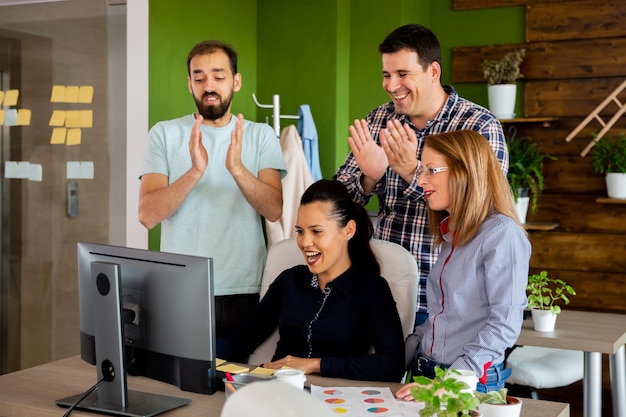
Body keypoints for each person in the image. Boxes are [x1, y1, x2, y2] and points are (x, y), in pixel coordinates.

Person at [334, 23, 507, 327]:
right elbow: (336, 203)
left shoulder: (479, 126)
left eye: (403, 74)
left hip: (449, 301)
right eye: (386, 75)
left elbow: (481, 207)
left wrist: (411, 172)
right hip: (381, 290)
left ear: (433, 72)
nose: (391, 85)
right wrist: (369, 178)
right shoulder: (379, 120)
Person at [138, 40, 286, 338]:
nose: (209, 85)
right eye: (199, 77)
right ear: (189, 83)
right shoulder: (164, 134)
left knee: (241, 380)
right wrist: (195, 171)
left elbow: (274, 209)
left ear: (236, 81)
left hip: (244, 289)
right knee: (176, 382)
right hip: (180, 286)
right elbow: (147, 215)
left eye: (219, 76)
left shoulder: (261, 136)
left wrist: (237, 169)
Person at [217, 179, 406, 382]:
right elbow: (241, 340)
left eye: (316, 231)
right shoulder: (290, 280)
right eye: (300, 231)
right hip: (276, 391)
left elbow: (391, 365)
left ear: (348, 230)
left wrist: (316, 364)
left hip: (335, 399)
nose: (305, 242)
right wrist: (197, 354)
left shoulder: (371, 289)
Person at [394, 130, 530, 397]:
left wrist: (450, 383)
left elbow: (504, 325)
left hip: (467, 382)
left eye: (431, 170)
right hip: (425, 373)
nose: (421, 180)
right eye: (422, 170)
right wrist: (397, 359)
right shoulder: (451, 234)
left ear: (465, 173)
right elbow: (439, 318)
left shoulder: (502, 234)